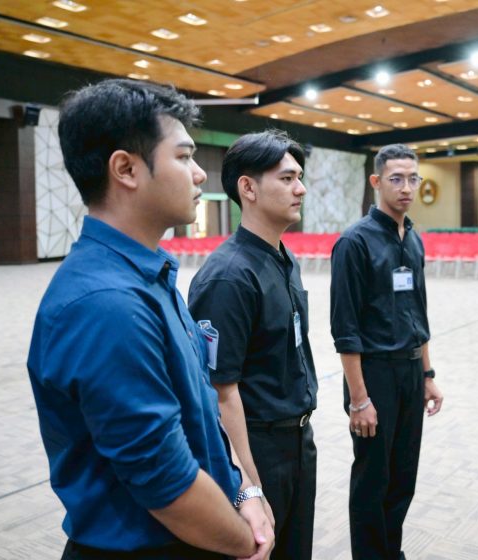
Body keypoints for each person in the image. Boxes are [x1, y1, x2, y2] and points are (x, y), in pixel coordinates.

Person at [27, 79, 273, 560]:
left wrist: (245, 490)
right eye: (183, 157)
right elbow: (166, 482)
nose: (199, 174)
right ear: (126, 169)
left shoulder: (149, 274)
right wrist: (248, 543)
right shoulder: (106, 303)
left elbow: (202, 411)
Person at [188, 130, 318, 560]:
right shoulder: (228, 277)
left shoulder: (283, 258)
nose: (300, 188)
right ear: (248, 187)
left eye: (299, 177)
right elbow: (219, 390)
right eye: (287, 178)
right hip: (258, 449)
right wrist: (250, 485)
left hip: (298, 440)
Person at [330, 144, 444, 560]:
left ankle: (389, 553)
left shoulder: (412, 238)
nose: (406, 187)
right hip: (373, 374)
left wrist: (427, 375)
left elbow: (419, 312)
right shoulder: (354, 242)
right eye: (396, 179)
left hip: (410, 374)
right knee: (372, 480)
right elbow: (345, 329)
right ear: (376, 181)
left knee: (402, 477)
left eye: (413, 178)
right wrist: (359, 399)